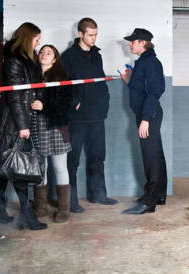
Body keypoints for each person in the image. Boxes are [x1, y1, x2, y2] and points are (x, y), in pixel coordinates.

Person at [0, 22, 47, 230]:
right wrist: (23, 126)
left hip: (20, 118)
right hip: (15, 122)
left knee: (5, 166)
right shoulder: (15, 61)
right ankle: (27, 217)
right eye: (36, 39)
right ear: (27, 38)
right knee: (20, 169)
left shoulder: (24, 59)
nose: (38, 43)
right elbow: (15, 95)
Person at [61, 17, 118, 213]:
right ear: (80, 34)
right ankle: (71, 201)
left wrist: (105, 102)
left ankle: (98, 195)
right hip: (76, 118)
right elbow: (62, 86)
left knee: (97, 156)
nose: (94, 38)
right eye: (91, 35)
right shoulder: (67, 57)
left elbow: (100, 80)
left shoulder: (97, 55)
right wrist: (74, 102)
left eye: (96, 35)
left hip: (97, 115)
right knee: (73, 160)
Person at [120, 28, 167, 215]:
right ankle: (159, 194)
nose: (130, 44)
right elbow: (142, 89)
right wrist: (129, 81)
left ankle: (149, 202)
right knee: (156, 154)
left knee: (151, 157)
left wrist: (146, 119)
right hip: (146, 113)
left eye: (133, 41)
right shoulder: (143, 62)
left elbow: (155, 91)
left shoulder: (151, 63)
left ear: (143, 43)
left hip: (149, 114)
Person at [31, 44, 72, 223]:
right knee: (40, 168)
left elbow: (65, 108)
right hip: (36, 127)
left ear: (55, 59)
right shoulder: (31, 75)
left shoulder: (62, 78)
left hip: (56, 127)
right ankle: (41, 208)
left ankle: (64, 210)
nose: (44, 54)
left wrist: (44, 107)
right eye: (42, 51)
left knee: (60, 167)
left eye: (49, 53)